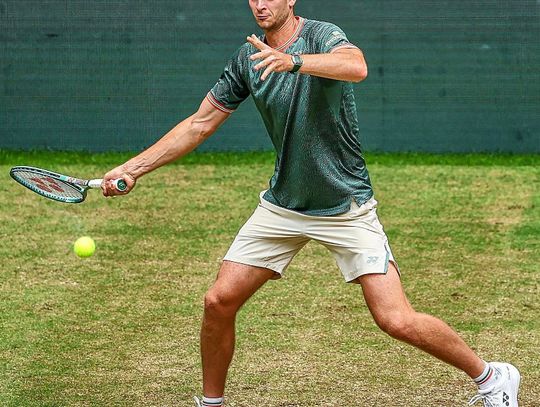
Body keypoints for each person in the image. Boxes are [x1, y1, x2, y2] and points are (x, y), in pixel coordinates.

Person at [102, 1, 521, 405]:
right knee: (218, 301)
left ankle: (492, 376)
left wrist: (295, 61)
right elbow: (199, 124)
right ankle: (212, 403)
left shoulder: (321, 35)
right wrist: (133, 168)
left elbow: (356, 66)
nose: (260, 5)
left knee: (395, 320)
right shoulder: (247, 58)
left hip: (345, 207)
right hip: (283, 207)